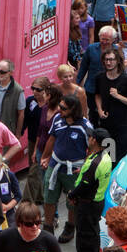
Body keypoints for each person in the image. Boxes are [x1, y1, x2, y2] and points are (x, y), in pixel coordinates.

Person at [39, 94, 94, 239]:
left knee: (72, 201)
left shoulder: (85, 126)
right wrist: (45, 157)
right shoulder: (57, 119)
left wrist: (84, 168)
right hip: (55, 165)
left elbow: (93, 149)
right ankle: (48, 227)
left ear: (73, 110)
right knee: (49, 197)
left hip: (74, 169)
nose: (59, 110)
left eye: (63, 108)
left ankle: (70, 227)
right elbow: (52, 138)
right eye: (59, 106)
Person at [67, 126, 114, 252]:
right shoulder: (104, 156)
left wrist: (72, 194)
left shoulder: (96, 162)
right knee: (92, 236)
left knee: (85, 239)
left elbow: (85, 185)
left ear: (94, 140)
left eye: (90, 137)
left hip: (88, 206)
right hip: (94, 203)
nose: (89, 139)